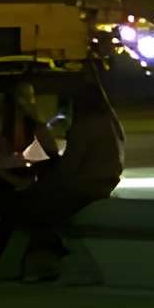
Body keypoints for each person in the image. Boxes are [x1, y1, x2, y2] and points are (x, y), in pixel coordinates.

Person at [20, 63, 126, 282]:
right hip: (105, 181)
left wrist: (47, 160)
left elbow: (70, 168)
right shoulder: (110, 119)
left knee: (34, 207)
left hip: (87, 186)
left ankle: (46, 259)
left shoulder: (85, 126)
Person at [0, 82, 56, 279]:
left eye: (31, 96)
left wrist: (38, 121)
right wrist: (15, 182)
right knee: (12, 216)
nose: (28, 102)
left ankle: (35, 264)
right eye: (23, 97)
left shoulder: (33, 126)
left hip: (22, 179)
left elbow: (50, 152)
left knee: (33, 213)